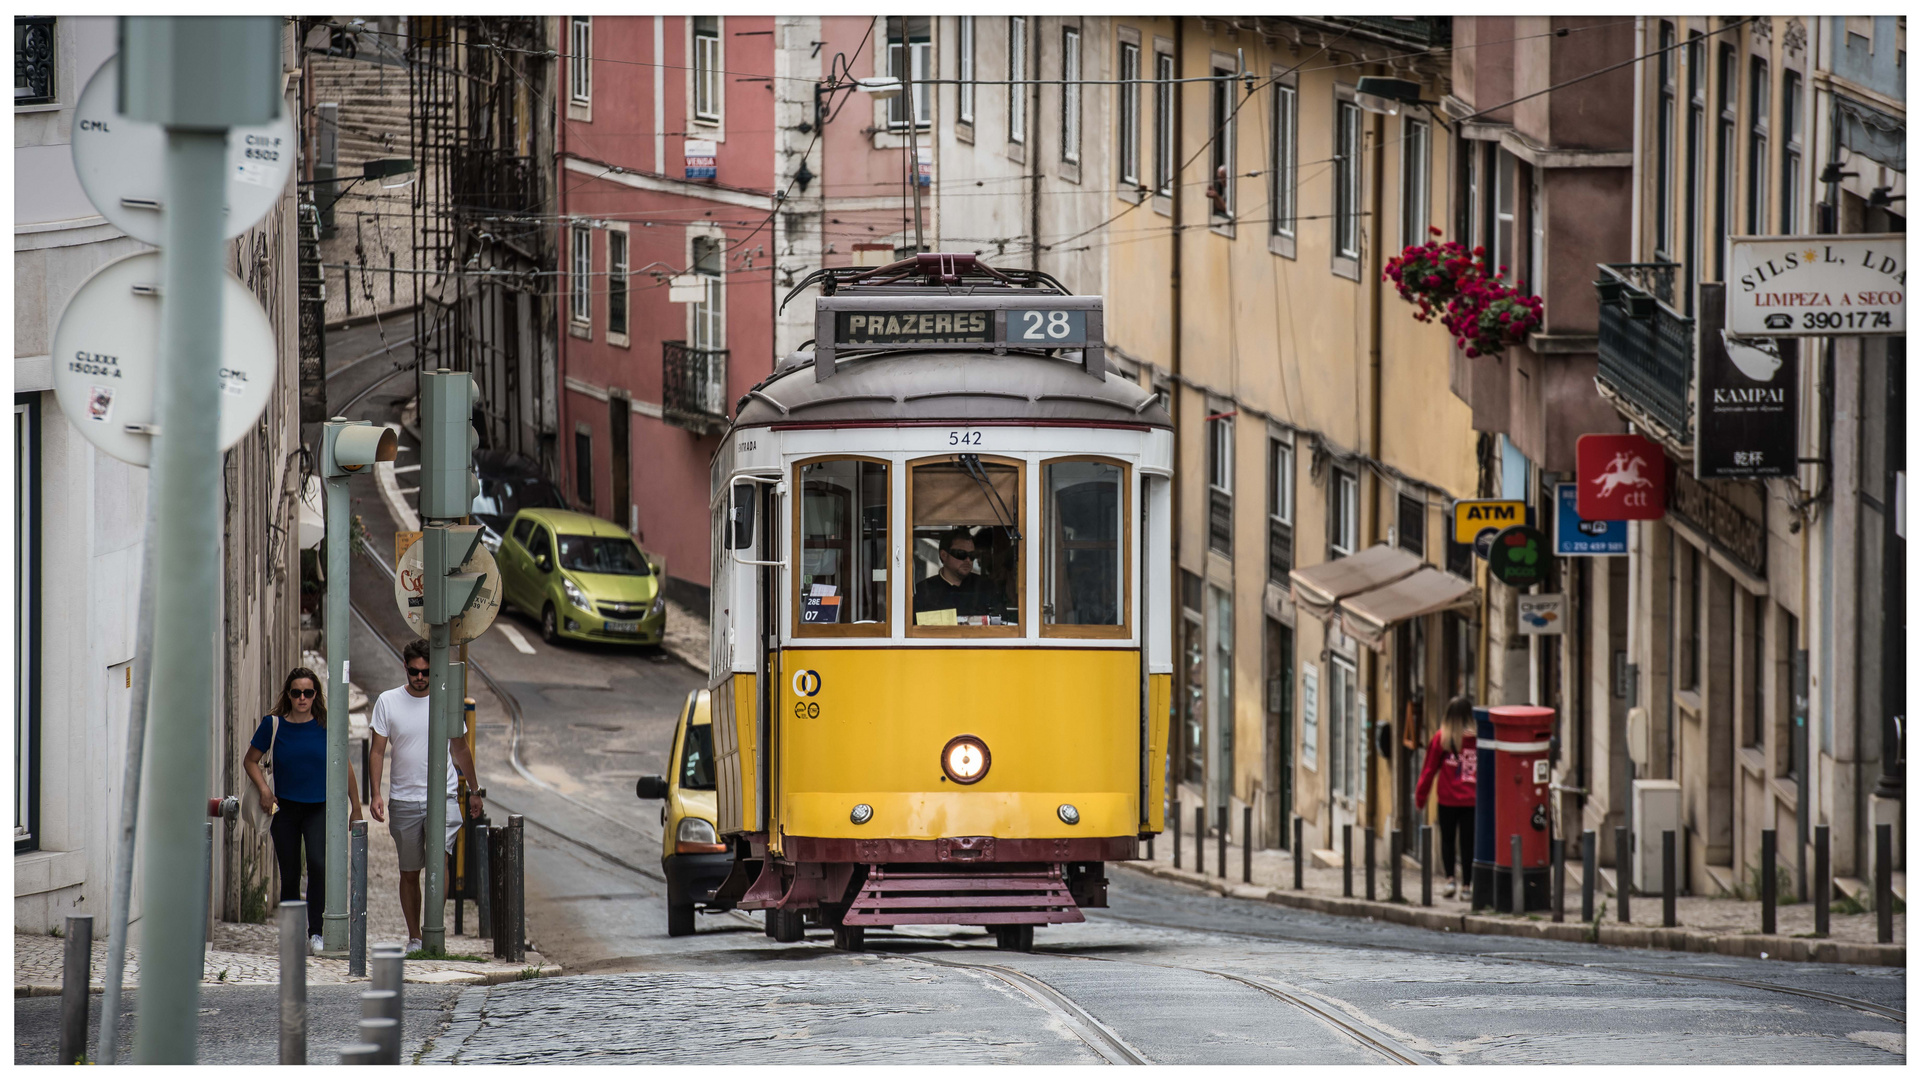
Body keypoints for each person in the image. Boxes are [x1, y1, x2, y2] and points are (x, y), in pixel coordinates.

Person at [368, 639, 484, 953]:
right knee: (409, 872)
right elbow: (377, 751)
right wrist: (375, 794)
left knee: (439, 861)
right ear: (405, 667)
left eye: (426, 672)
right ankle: (414, 936)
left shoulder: (445, 701)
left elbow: (460, 748)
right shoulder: (388, 702)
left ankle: (434, 927)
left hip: (442, 795)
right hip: (404, 798)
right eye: (415, 671)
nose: (420, 677)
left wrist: (474, 790)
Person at [243, 666, 363, 955]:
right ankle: (292, 935)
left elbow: (344, 765)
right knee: (290, 872)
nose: (302, 698)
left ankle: (316, 933)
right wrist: (264, 790)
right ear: (289, 694)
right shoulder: (273, 725)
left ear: (315, 695)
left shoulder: (326, 725)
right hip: (282, 807)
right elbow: (251, 761)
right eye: (296, 692)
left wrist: (356, 806)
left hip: (318, 807)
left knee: (319, 865)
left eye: (308, 693)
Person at [1414, 696, 1478, 900]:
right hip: (1472, 801)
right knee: (1469, 844)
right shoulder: (1479, 739)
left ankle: (1450, 880)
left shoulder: (1442, 739)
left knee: (1448, 841)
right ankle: (1467, 886)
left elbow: (1429, 770)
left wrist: (1420, 798)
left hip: (1447, 800)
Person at [912, 527, 1007, 621]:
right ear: (944, 555)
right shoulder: (923, 591)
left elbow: (1002, 624)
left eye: (972, 556)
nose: (968, 560)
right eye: (961, 554)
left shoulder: (987, 588)